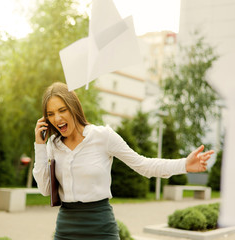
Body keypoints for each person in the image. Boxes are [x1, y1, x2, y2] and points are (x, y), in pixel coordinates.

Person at [33, 82, 214, 240]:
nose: (57, 118)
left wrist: (183, 165)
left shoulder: (103, 136)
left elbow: (143, 165)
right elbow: (45, 189)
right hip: (66, 228)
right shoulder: (52, 145)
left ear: (74, 107)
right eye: (51, 114)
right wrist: (40, 146)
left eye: (62, 110)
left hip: (100, 228)